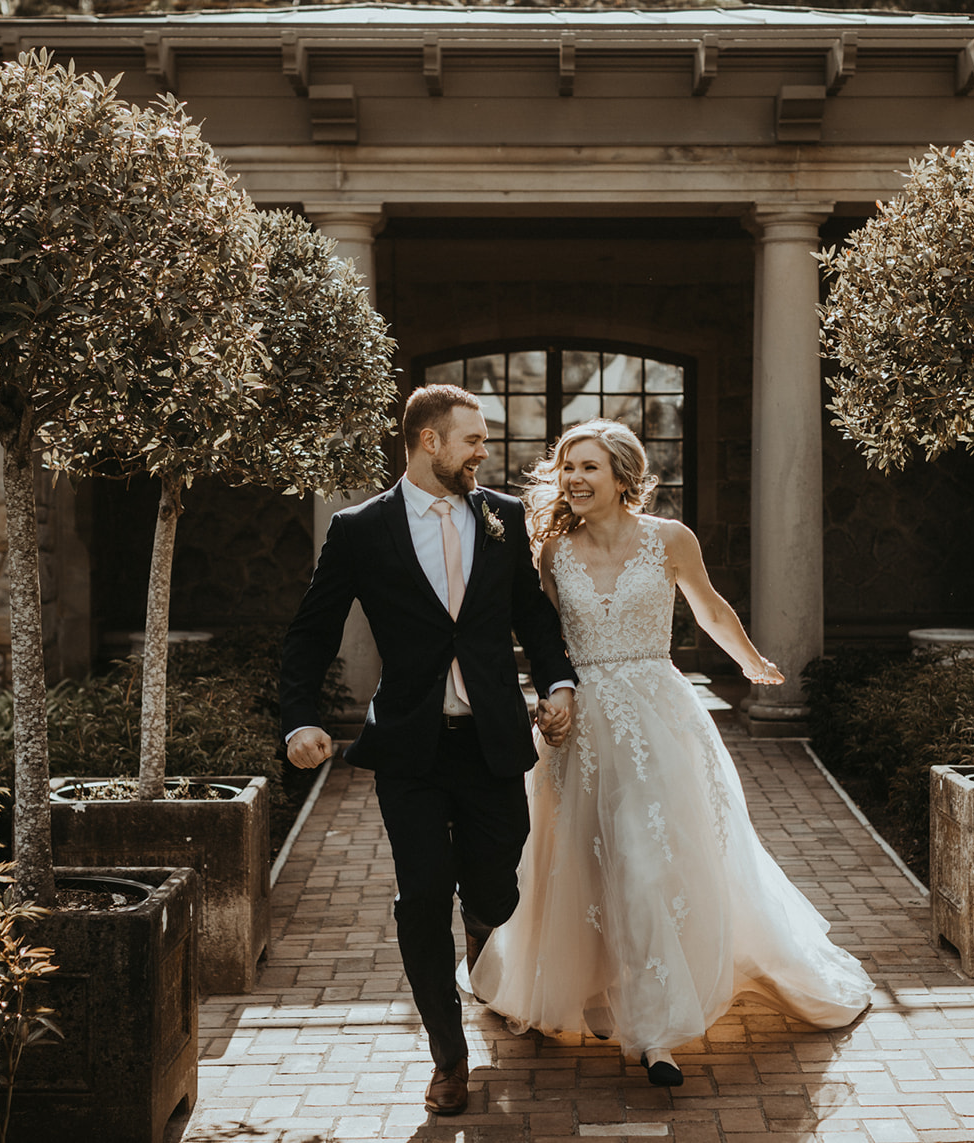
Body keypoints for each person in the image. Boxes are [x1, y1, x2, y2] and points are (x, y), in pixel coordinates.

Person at [469, 419, 874, 1087]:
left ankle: (655, 1029)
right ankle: (598, 993)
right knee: (582, 862)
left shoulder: (670, 540)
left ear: (624, 478)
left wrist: (751, 661)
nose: (573, 478)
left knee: (644, 859)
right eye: (567, 466)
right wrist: (549, 696)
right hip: (580, 728)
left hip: (657, 718)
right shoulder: (552, 552)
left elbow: (710, 608)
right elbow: (547, 641)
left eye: (589, 467)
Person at [280, 384, 578, 1117]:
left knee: (496, 884)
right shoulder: (359, 530)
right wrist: (298, 720)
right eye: (471, 439)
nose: (483, 451)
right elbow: (311, 631)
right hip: (410, 747)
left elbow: (533, 617)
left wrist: (560, 681)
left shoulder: (503, 516)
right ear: (427, 442)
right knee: (421, 899)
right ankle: (448, 1055)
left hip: (493, 741)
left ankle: (484, 931)